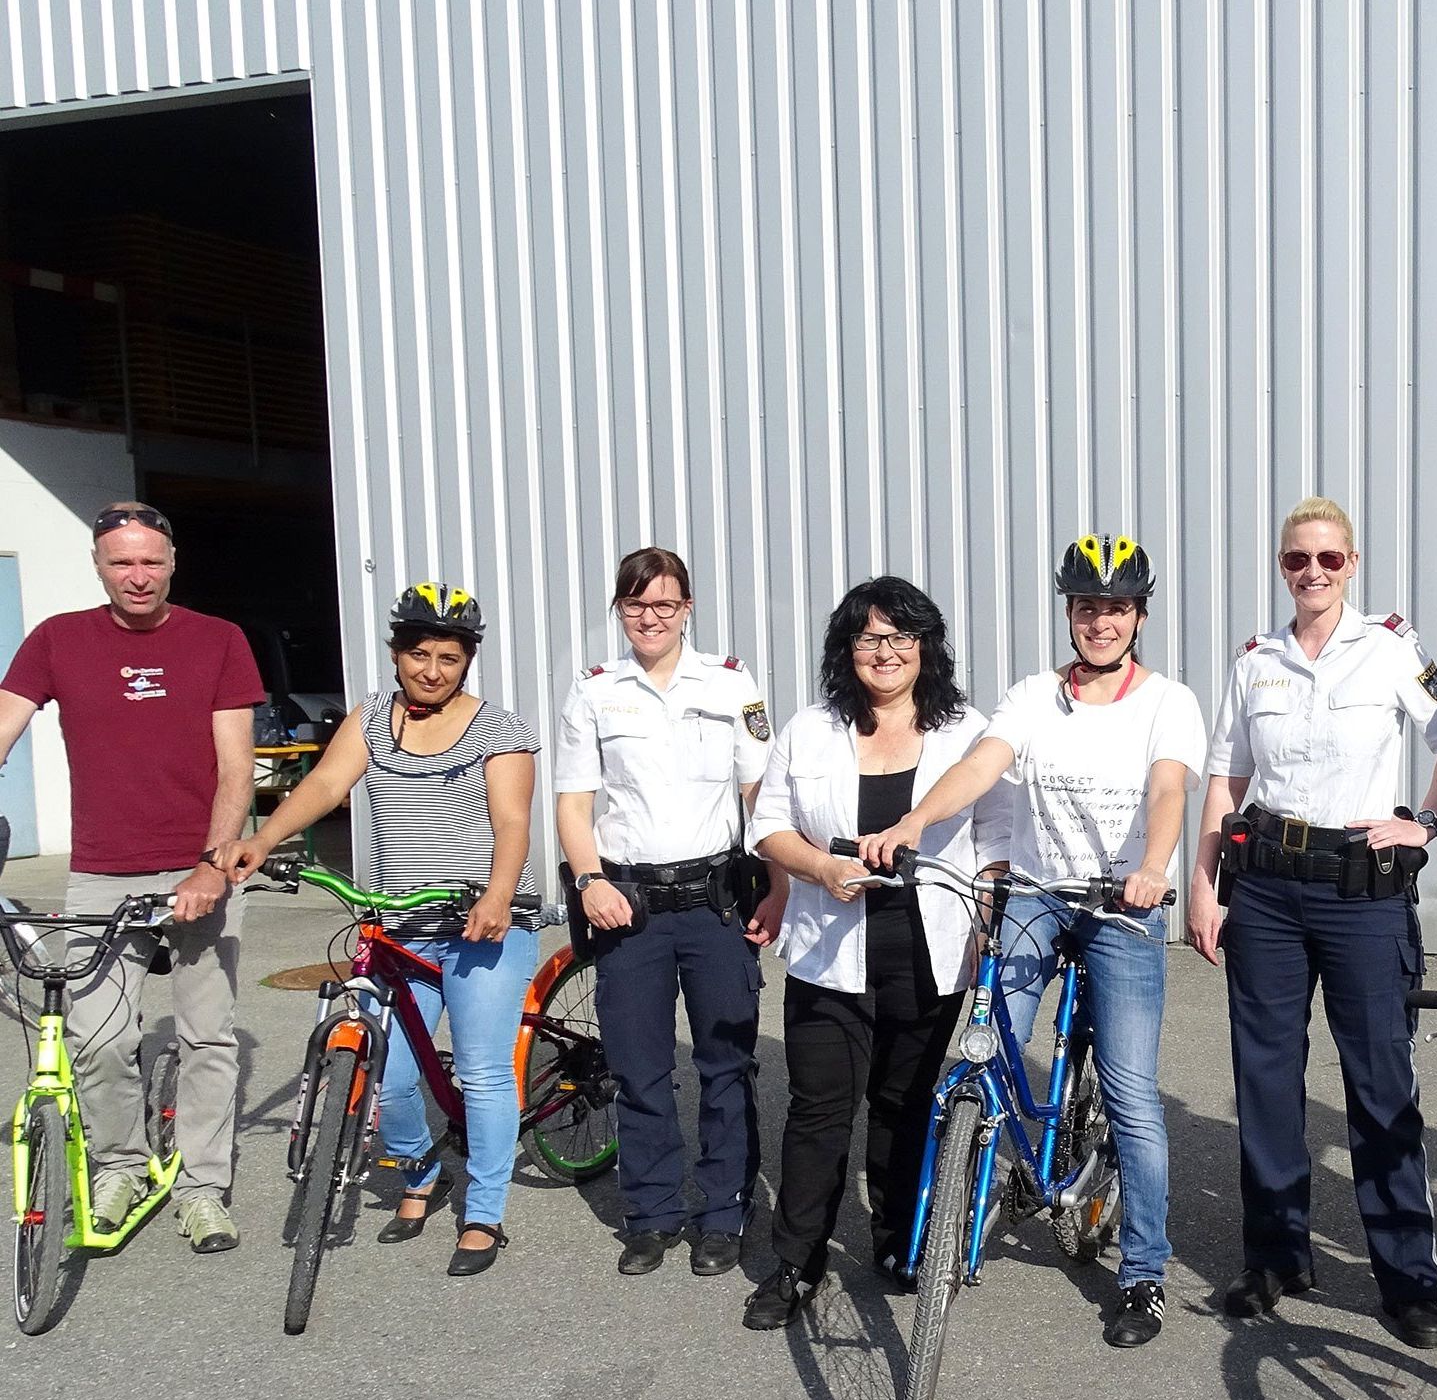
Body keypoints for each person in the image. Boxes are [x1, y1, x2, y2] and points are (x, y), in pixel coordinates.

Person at [859, 534, 1203, 1350]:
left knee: (1129, 1093)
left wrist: (1153, 867)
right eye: (1086, 607)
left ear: (1138, 616)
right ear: (1069, 613)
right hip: (1039, 896)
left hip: (1121, 903)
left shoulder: (1167, 702)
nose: (1100, 622)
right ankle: (979, 1189)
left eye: (1115, 608)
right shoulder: (1031, 696)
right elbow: (984, 764)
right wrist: (911, 822)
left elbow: (1167, 790)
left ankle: (1143, 1272)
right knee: (982, 1045)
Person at [1187, 496, 1437, 1348]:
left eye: (1328, 559)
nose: (1312, 573)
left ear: (1351, 564)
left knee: (1379, 1085)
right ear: (1281, 566)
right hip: (1264, 886)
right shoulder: (1254, 663)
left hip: (1360, 893)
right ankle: (1274, 1258)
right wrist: (1203, 885)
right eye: (1297, 559)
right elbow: (1226, 780)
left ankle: (1406, 1278)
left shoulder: (1390, 652)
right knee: (1265, 1081)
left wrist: (1426, 821)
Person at [228, 584, 540, 1277]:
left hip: (480, 923)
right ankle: (423, 1170)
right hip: (400, 923)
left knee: (485, 1071)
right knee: (388, 1076)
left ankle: (485, 1211)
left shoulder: (500, 728)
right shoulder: (371, 718)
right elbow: (325, 786)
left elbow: (513, 821)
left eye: (450, 658)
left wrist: (495, 894)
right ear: (398, 653)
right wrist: (265, 837)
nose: (433, 670)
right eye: (421, 654)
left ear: (467, 664)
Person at [740, 577, 1007, 1329]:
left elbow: (1000, 835)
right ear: (845, 648)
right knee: (819, 1110)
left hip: (928, 949)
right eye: (869, 638)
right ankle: (796, 1260)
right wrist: (818, 869)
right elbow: (768, 825)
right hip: (830, 948)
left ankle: (900, 1241)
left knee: (903, 1104)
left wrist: (987, 908)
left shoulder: (965, 732)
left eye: (900, 637)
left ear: (926, 648)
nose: (884, 652)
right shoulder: (811, 728)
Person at [0, 501, 263, 1252]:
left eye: (151, 561)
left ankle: (203, 1187)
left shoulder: (218, 641)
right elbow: (4, 723)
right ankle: (119, 1165)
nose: (138, 576)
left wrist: (213, 865)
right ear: (98, 565)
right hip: (101, 871)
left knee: (208, 1038)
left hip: (198, 866)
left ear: (173, 562)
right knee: (100, 1039)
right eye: (122, 563)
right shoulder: (56, 639)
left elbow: (236, 765)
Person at [554, 548, 775, 1279]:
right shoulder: (593, 692)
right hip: (629, 907)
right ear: (619, 608)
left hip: (714, 906)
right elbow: (574, 802)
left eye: (665, 604)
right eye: (635, 604)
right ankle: (649, 1215)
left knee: (725, 1066)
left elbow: (760, 793)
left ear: (687, 609)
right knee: (639, 1069)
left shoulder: (731, 684)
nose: (650, 617)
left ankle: (721, 1213)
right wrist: (588, 879)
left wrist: (774, 885)